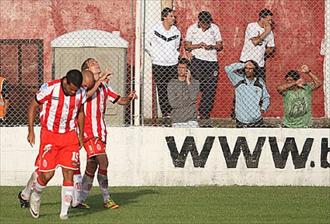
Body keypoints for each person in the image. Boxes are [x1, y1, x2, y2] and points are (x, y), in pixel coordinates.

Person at [17, 70, 95, 210]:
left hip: (68, 136)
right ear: (66, 81)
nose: (73, 92)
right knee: (44, 172)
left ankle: (25, 194)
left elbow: (81, 112)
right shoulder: (50, 88)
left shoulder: (79, 92)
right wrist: (31, 131)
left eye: (75, 90)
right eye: (71, 89)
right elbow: (33, 105)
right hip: (49, 135)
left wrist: (80, 135)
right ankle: (26, 194)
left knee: (51, 171)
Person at [73, 58, 137, 209]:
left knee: (92, 166)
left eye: (97, 62)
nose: (97, 64)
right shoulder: (82, 86)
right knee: (103, 161)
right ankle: (106, 199)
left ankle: (79, 200)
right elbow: (86, 95)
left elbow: (119, 100)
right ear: (86, 70)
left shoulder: (104, 86)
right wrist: (100, 79)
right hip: (88, 132)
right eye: (92, 63)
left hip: (100, 132)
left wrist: (129, 98)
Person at [185, 11, 223, 119]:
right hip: (197, 61)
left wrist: (211, 46)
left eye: (208, 23)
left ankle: (204, 113)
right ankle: (190, 111)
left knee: (210, 88)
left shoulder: (215, 28)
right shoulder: (192, 28)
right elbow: (187, 46)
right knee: (196, 86)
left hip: (211, 62)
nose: (207, 25)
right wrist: (198, 45)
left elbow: (220, 45)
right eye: (205, 23)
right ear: (200, 22)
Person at [145, 7, 181, 118]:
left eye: (174, 16)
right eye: (171, 16)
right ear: (164, 17)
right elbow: (146, 42)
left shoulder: (176, 31)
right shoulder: (155, 28)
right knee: (161, 88)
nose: (173, 18)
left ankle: (174, 110)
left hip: (172, 63)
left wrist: (174, 55)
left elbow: (177, 46)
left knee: (173, 87)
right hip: (158, 63)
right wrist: (154, 54)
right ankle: (166, 112)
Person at [225, 61, 270, 128]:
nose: (248, 70)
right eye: (246, 68)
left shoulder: (260, 82)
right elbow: (227, 69)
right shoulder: (238, 79)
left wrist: (263, 108)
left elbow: (266, 97)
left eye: (250, 68)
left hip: (257, 119)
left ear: (255, 70)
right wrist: (243, 64)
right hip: (241, 119)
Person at [240, 8, 275, 81]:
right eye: (269, 20)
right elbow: (255, 42)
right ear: (262, 18)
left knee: (259, 85)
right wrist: (267, 31)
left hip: (259, 64)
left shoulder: (270, 32)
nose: (270, 22)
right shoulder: (252, 26)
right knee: (244, 85)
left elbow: (271, 47)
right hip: (246, 61)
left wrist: (263, 53)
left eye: (271, 20)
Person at [167, 58, 200, 127]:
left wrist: (188, 81)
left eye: (183, 68)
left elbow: (193, 97)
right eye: (179, 67)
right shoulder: (172, 83)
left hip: (191, 119)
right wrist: (189, 102)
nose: (180, 70)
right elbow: (173, 103)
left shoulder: (195, 82)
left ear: (188, 70)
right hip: (177, 119)